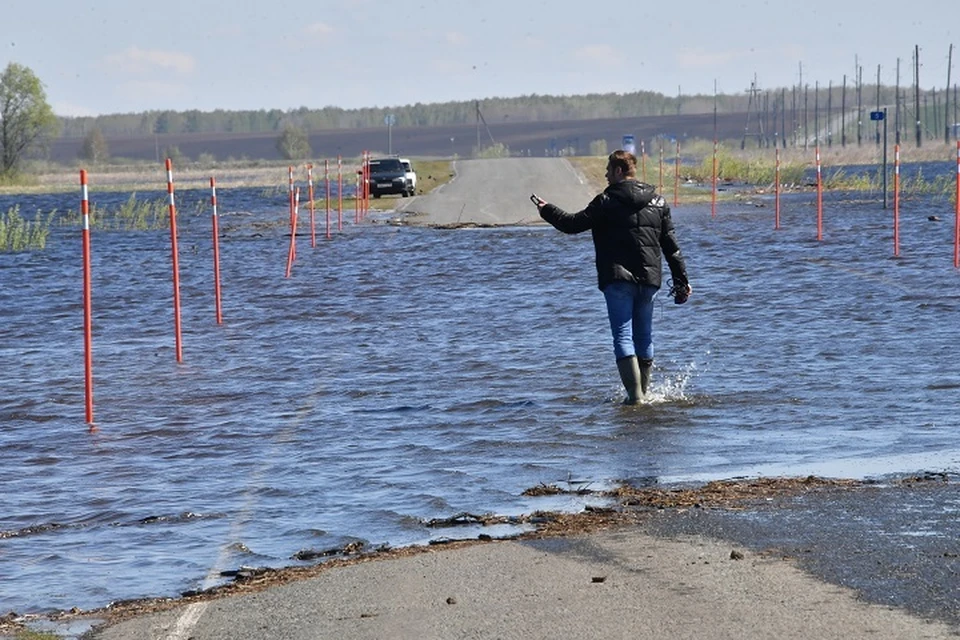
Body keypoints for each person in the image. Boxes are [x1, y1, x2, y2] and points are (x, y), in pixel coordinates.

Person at [532, 149, 691, 404]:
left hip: (617, 280)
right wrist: (682, 280)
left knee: (622, 336)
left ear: (618, 171)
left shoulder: (605, 201)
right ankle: (645, 396)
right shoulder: (658, 202)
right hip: (650, 279)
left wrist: (546, 209)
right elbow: (672, 246)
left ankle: (635, 397)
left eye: (608, 171)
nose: (606, 175)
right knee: (644, 337)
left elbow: (572, 224)